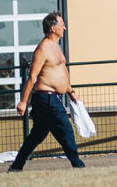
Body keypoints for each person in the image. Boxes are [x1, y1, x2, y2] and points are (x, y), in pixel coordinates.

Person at [10, 12, 86, 171]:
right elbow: (32, 77)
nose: (65, 27)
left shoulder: (56, 47)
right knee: (65, 130)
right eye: (61, 25)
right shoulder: (42, 49)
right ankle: (78, 166)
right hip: (46, 99)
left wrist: (71, 92)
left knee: (36, 135)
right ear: (53, 28)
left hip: (53, 98)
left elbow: (61, 72)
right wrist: (23, 101)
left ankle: (16, 166)